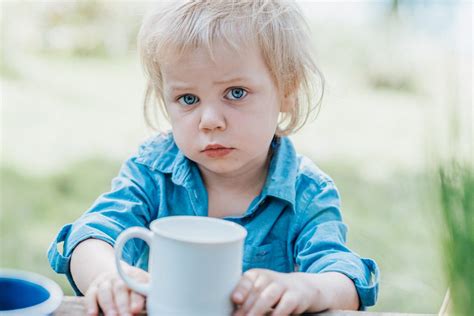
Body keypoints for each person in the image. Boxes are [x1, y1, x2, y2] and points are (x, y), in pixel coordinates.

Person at [48, 1, 379, 315]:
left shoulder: (306, 192)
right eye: (188, 98)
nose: (209, 120)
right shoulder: (152, 173)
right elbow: (90, 235)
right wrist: (108, 277)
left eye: (235, 93)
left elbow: (345, 279)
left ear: (287, 93)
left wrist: (309, 287)